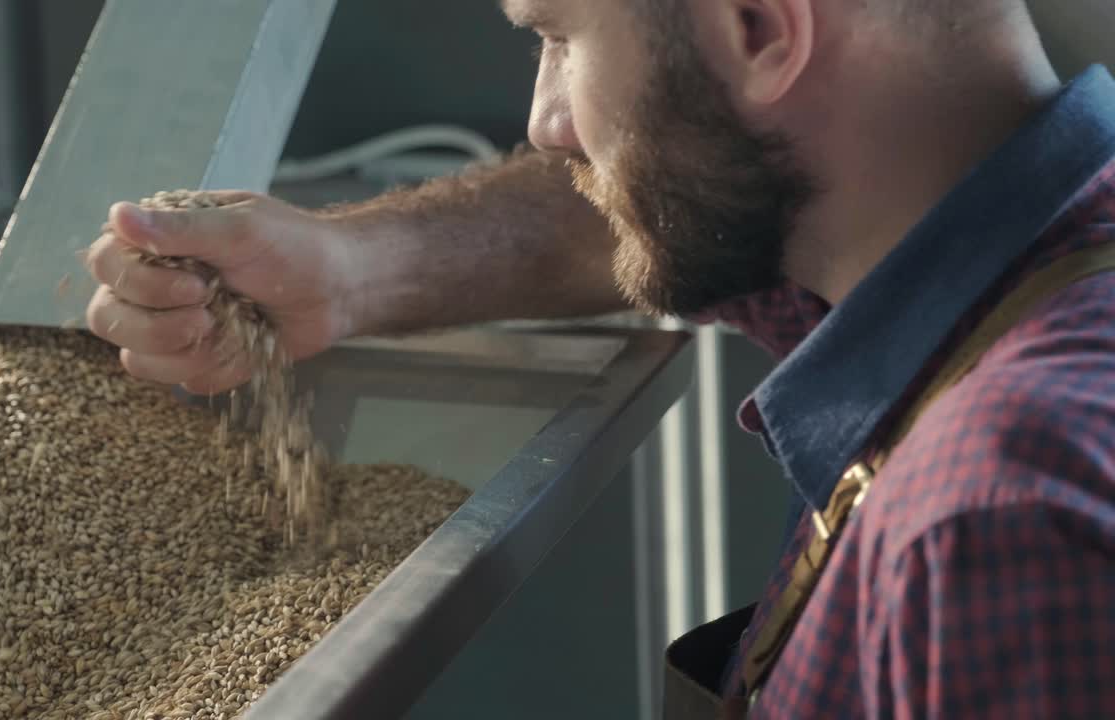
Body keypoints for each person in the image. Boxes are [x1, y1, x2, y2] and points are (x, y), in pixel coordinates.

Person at [85, 0, 1115, 717]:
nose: (546, 123)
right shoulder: (996, 252)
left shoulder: (988, 516)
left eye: (559, 38)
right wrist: (348, 270)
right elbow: (670, 189)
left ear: (755, 28)